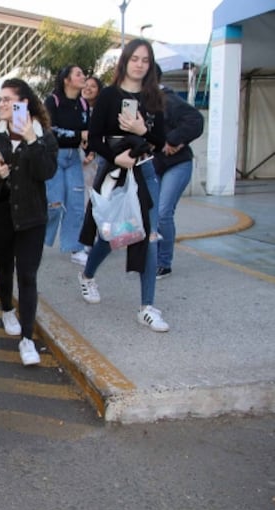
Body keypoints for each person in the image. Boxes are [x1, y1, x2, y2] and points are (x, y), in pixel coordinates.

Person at [79, 38, 168, 332]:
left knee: (149, 236)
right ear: (125, 61)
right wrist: (117, 157)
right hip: (115, 173)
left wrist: (143, 130)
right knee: (113, 234)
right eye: (135, 59)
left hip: (145, 174)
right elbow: (93, 139)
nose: (140, 64)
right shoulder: (108, 96)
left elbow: (160, 142)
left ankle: (147, 307)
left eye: (145, 60)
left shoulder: (155, 97)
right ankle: (88, 275)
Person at [0, 78, 59, 363]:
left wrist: (32, 141)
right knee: (4, 270)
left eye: (8, 99)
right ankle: (6, 309)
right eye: (1, 99)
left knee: (28, 276)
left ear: (24, 103)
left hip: (31, 217)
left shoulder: (44, 136)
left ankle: (27, 340)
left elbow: (46, 171)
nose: (2, 104)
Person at [154, 65, 204, 279]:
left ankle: (164, 262)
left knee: (164, 212)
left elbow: (196, 121)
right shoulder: (136, 102)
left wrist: (175, 140)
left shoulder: (169, 99)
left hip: (178, 164)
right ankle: (152, 258)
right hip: (154, 165)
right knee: (153, 213)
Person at [43, 65, 90, 266]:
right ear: (67, 80)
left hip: (74, 158)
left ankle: (75, 247)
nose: (83, 77)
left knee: (76, 204)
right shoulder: (52, 101)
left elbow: (88, 130)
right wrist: (79, 135)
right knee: (54, 203)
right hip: (54, 156)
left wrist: (89, 148)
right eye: (78, 74)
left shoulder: (83, 103)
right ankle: (38, 239)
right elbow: (50, 130)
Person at [81, 76, 105, 201]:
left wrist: (92, 152)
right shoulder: (75, 108)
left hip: (95, 158)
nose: (88, 88)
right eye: (85, 85)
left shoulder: (102, 111)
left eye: (93, 86)